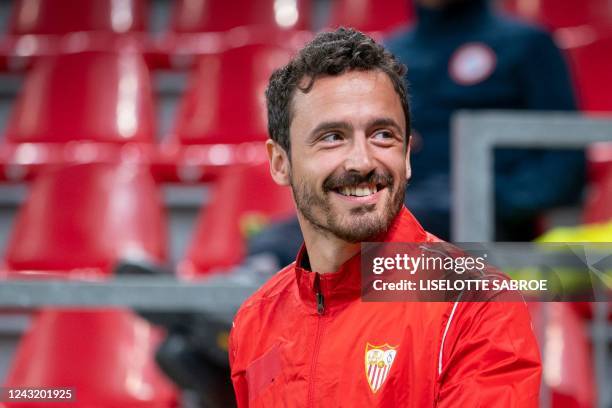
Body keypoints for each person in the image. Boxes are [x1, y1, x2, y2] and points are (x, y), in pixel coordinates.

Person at [229, 28, 541, 406]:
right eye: (332, 137)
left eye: (382, 135)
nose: (362, 161)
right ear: (281, 163)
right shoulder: (255, 320)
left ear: (407, 155)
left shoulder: (475, 304)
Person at [385, 0, 585, 240]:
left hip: (494, 218)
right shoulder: (392, 52)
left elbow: (565, 154)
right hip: (408, 203)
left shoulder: (526, 43)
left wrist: (499, 198)